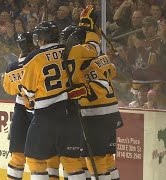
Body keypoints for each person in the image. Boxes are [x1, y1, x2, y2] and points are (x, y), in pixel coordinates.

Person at [20, 21, 85, 179]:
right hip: (72, 112)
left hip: (46, 115)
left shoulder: (34, 57)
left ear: (42, 38)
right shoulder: (71, 51)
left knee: (35, 159)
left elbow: (28, 92)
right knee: (72, 161)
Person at [66, 5, 122, 180]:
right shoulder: (101, 57)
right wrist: (89, 27)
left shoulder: (75, 54)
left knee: (96, 160)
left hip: (94, 114)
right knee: (107, 158)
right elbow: (112, 71)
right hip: (112, 112)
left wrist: (86, 26)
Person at [3, 32, 37, 180]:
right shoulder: (39, 62)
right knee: (41, 158)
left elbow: (9, 89)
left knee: (17, 155)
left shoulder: (12, 67)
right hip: (42, 110)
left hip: (21, 111)